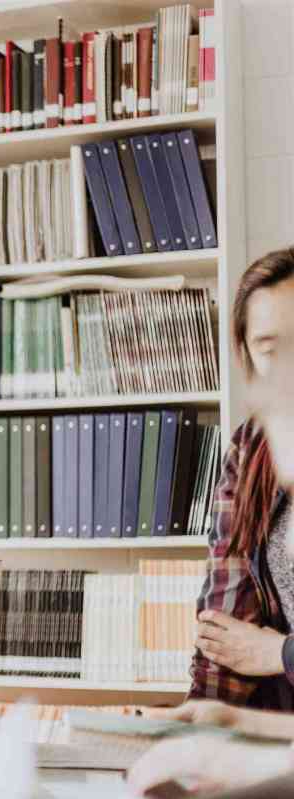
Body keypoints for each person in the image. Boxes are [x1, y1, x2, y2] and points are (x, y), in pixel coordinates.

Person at [188, 248, 294, 711]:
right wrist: (201, 723)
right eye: (272, 350)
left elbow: (257, 650)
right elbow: (225, 629)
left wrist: (277, 652)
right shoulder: (252, 448)